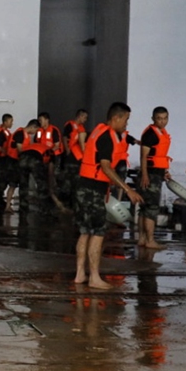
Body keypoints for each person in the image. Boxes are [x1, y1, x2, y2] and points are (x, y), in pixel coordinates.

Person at [74, 102, 143, 289]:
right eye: (126, 120)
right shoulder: (106, 136)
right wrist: (128, 189)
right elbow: (105, 166)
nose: (126, 124)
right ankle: (94, 277)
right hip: (93, 188)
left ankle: (80, 274)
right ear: (117, 118)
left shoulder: (99, 131)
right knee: (97, 232)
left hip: (84, 186)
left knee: (85, 231)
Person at [138, 107, 172, 250]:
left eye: (165, 118)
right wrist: (145, 175)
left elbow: (159, 155)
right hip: (150, 175)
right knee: (151, 207)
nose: (162, 121)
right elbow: (144, 156)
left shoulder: (162, 133)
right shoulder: (151, 134)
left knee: (145, 207)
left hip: (157, 173)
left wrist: (164, 172)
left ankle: (142, 239)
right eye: (159, 118)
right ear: (153, 118)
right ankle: (149, 240)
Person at [60, 109, 89, 208]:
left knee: (76, 182)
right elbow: (64, 138)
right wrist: (67, 149)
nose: (85, 120)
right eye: (84, 117)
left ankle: (73, 204)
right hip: (70, 156)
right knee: (67, 181)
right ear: (79, 116)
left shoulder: (82, 128)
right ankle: (65, 203)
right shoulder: (70, 125)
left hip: (78, 157)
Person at [0, 114, 15, 213]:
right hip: (0, 159)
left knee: (1, 179)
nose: (12, 123)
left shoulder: (4, 131)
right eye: (10, 121)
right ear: (5, 122)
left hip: (1, 158)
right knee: (0, 180)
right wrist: (9, 154)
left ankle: (0, 200)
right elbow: (0, 147)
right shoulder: (1, 132)